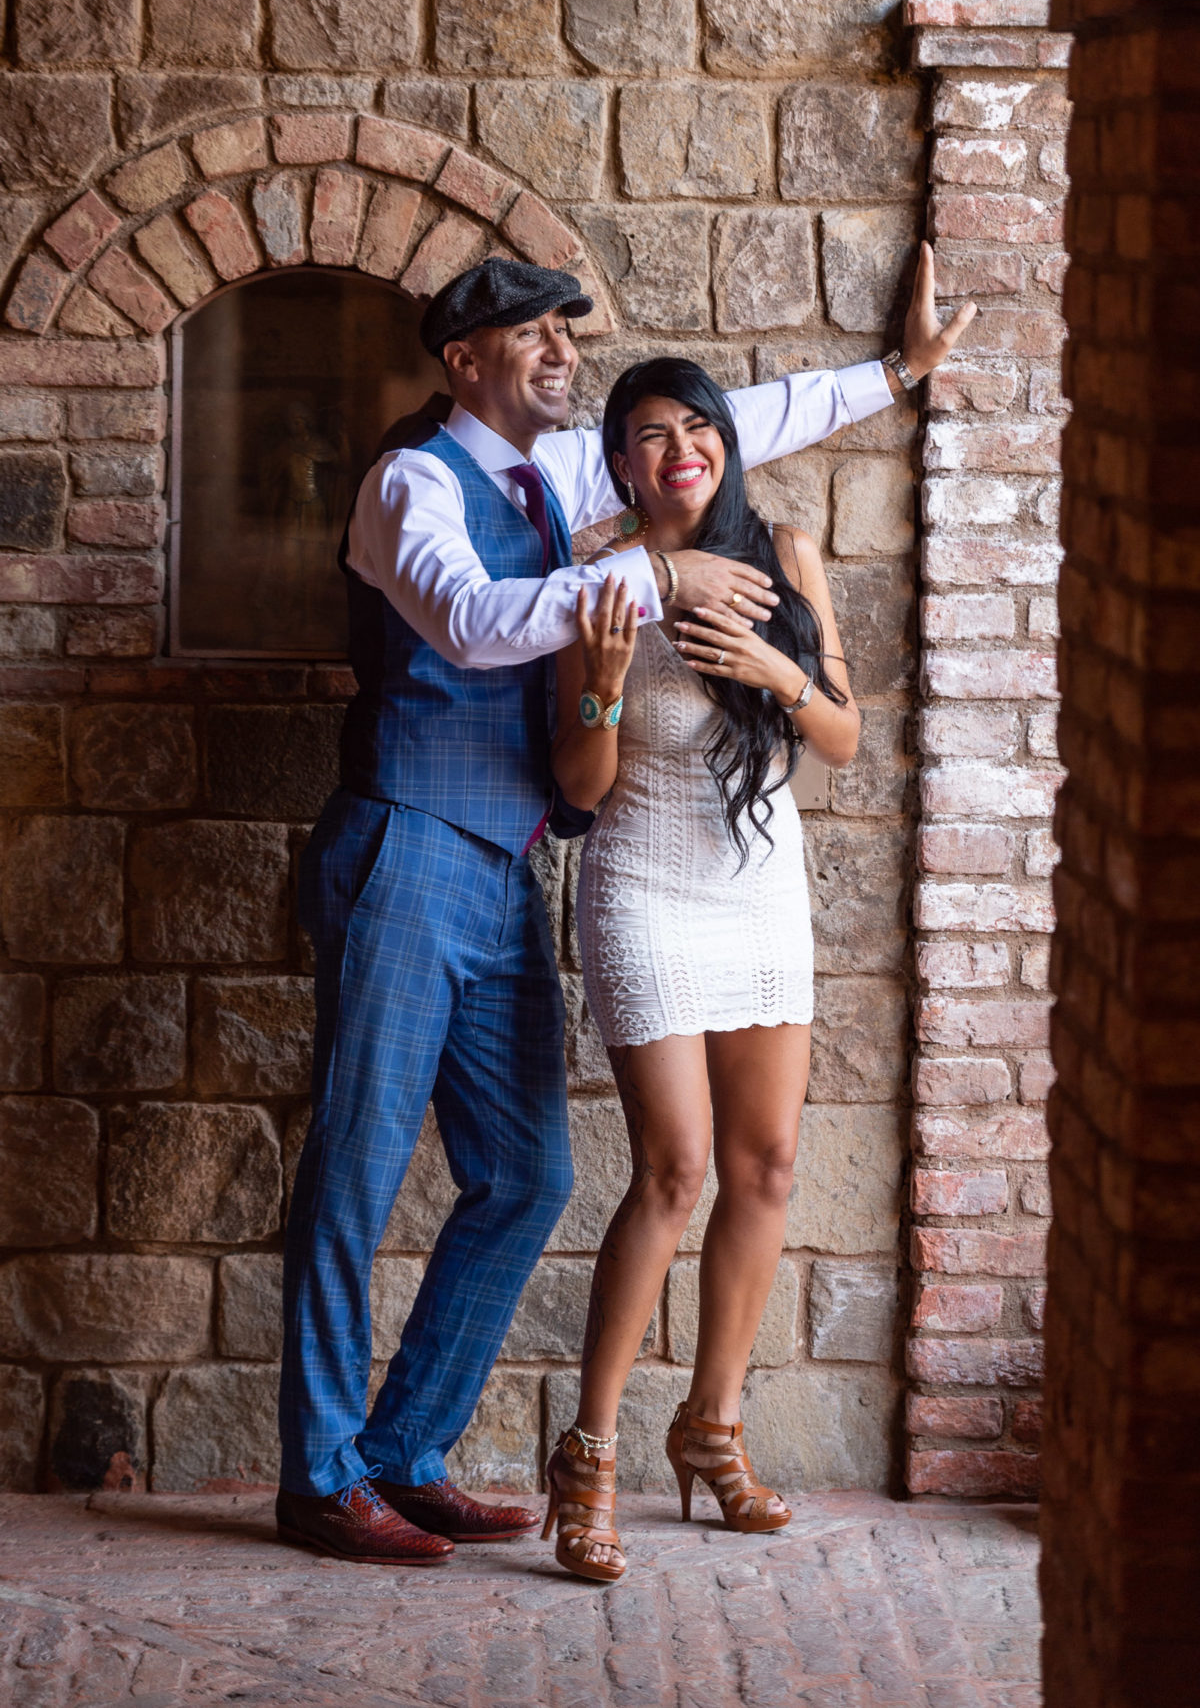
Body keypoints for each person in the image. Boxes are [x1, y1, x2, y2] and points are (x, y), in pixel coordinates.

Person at [276, 246, 971, 1568]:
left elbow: (735, 417)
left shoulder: (565, 476)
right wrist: (656, 587)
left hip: (509, 862)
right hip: (410, 837)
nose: (559, 350)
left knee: (530, 1173)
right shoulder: (414, 482)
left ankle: (405, 1453)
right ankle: (319, 1473)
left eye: (564, 335)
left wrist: (898, 372)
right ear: (462, 360)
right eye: (529, 335)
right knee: (357, 1169)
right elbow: (475, 623)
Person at [541, 245, 975, 1582]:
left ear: (724, 446)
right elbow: (577, 783)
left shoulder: (785, 551)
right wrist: (607, 683)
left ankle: (713, 1429)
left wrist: (783, 667)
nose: (676, 450)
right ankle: (592, 1455)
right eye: (646, 436)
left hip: (759, 889)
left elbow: (842, 737)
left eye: (694, 429)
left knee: (769, 1168)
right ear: (619, 467)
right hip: (647, 888)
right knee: (675, 1170)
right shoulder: (604, 575)